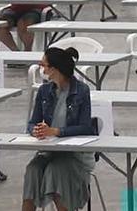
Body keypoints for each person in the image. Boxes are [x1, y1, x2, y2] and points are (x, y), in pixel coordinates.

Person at [23, 47, 95, 211]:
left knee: (55, 171)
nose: (42, 68)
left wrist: (56, 131)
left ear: (54, 69)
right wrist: (35, 130)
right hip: (50, 149)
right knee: (33, 169)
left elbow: (86, 127)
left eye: (44, 65)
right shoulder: (44, 91)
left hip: (75, 154)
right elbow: (32, 122)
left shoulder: (81, 91)